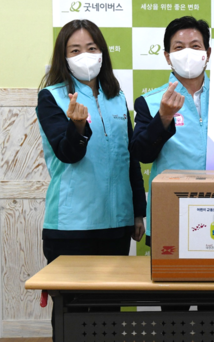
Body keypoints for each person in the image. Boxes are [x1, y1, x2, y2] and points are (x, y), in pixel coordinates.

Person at [37, 19, 146, 337]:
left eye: (91, 48)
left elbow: (130, 157)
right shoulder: (51, 97)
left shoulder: (117, 97)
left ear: (102, 53)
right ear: (63, 57)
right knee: (72, 314)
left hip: (116, 225)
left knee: (108, 313)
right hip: (71, 227)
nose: (84, 55)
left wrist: (137, 212)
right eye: (75, 50)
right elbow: (67, 153)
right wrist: (77, 126)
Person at [131, 16, 211, 246]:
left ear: (208, 53)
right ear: (167, 56)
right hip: (171, 209)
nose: (188, 53)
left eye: (195, 46)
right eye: (179, 47)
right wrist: (163, 117)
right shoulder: (150, 101)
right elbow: (142, 154)